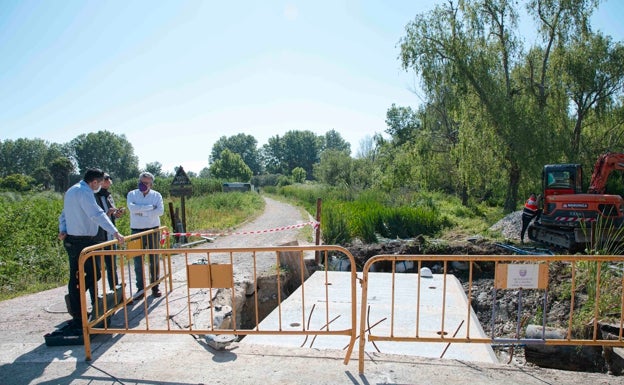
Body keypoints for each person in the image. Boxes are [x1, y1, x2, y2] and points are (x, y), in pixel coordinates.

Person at [58, 168, 125, 333]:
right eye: (100, 183)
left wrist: (63, 228)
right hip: (81, 241)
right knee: (86, 276)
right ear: (94, 182)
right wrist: (114, 231)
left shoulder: (72, 190)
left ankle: (76, 301)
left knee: (86, 275)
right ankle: (76, 305)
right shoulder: (84, 192)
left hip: (74, 240)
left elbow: (64, 215)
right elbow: (97, 214)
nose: (100, 186)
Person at [127, 172, 164, 297]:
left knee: (154, 259)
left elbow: (160, 211)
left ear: (151, 184)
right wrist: (149, 208)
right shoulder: (132, 194)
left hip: (153, 230)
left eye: (146, 183)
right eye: (141, 182)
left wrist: (141, 211)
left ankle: (155, 287)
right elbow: (132, 209)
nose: (143, 185)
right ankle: (140, 289)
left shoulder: (156, 195)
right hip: (136, 231)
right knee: (137, 261)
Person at [94, 173, 125, 290]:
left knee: (112, 266)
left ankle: (115, 291)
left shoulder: (108, 196)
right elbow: (95, 217)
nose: (107, 187)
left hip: (110, 235)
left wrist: (117, 214)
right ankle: (96, 299)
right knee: (96, 269)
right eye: (105, 184)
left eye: (109, 185)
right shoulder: (93, 196)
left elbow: (113, 216)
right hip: (98, 236)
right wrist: (108, 214)